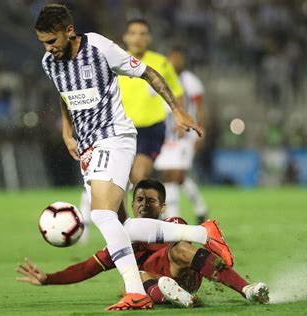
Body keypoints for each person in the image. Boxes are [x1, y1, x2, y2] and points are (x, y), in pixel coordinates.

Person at [33, 4, 232, 311]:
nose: (48, 49)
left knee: (101, 215)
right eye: (44, 42)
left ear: (69, 31)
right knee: (123, 228)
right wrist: (66, 131)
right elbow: (65, 94)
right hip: (88, 146)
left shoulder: (99, 48)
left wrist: (178, 110)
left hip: (114, 137)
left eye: (52, 41)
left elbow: (147, 72)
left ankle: (136, 291)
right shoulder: (50, 62)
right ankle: (203, 233)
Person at [16, 179, 269, 308]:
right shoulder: (123, 236)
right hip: (154, 285)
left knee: (180, 248)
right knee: (139, 273)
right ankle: (171, 296)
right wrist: (48, 278)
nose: (143, 205)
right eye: (138, 200)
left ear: (163, 207)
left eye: (151, 201)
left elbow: (189, 254)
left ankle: (248, 289)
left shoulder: (173, 223)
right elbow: (86, 268)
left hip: (186, 279)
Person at [78, 18, 185, 238]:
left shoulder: (161, 63)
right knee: (118, 181)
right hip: (117, 131)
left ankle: (140, 230)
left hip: (151, 129)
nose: (138, 37)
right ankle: (132, 229)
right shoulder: (114, 60)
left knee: (138, 176)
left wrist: (179, 115)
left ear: (149, 38)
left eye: (143, 33)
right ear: (126, 37)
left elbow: (177, 91)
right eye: (133, 33)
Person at [154, 47, 209, 223]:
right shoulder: (161, 80)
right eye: (172, 58)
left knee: (176, 174)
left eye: (178, 58)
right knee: (172, 177)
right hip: (166, 134)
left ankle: (172, 219)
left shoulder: (191, 81)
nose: (174, 62)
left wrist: (200, 130)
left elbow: (200, 107)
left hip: (186, 134)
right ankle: (200, 207)